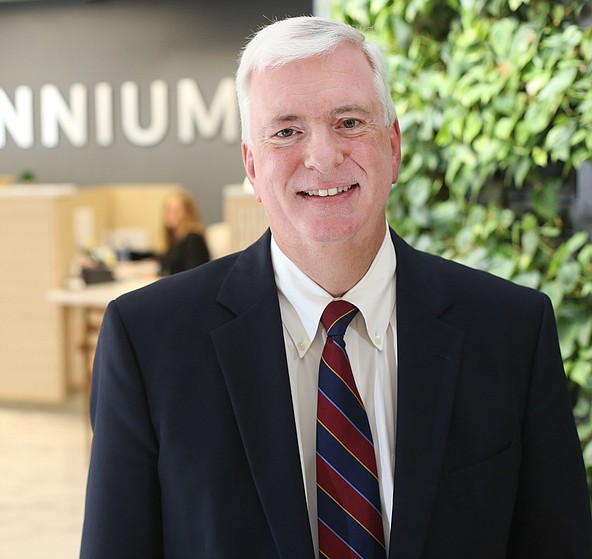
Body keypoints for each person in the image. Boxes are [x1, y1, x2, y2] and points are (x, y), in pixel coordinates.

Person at [80, 16, 592, 559]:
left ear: (393, 148)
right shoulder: (148, 341)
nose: (322, 157)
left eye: (349, 122)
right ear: (251, 166)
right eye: (286, 130)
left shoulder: (511, 329)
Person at [158, 189, 210, 275]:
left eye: (176, 210)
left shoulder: (193, 239)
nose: (171, 215)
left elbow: (193, 274)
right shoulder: (175, 237)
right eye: (168, 210)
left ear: (188, 212)